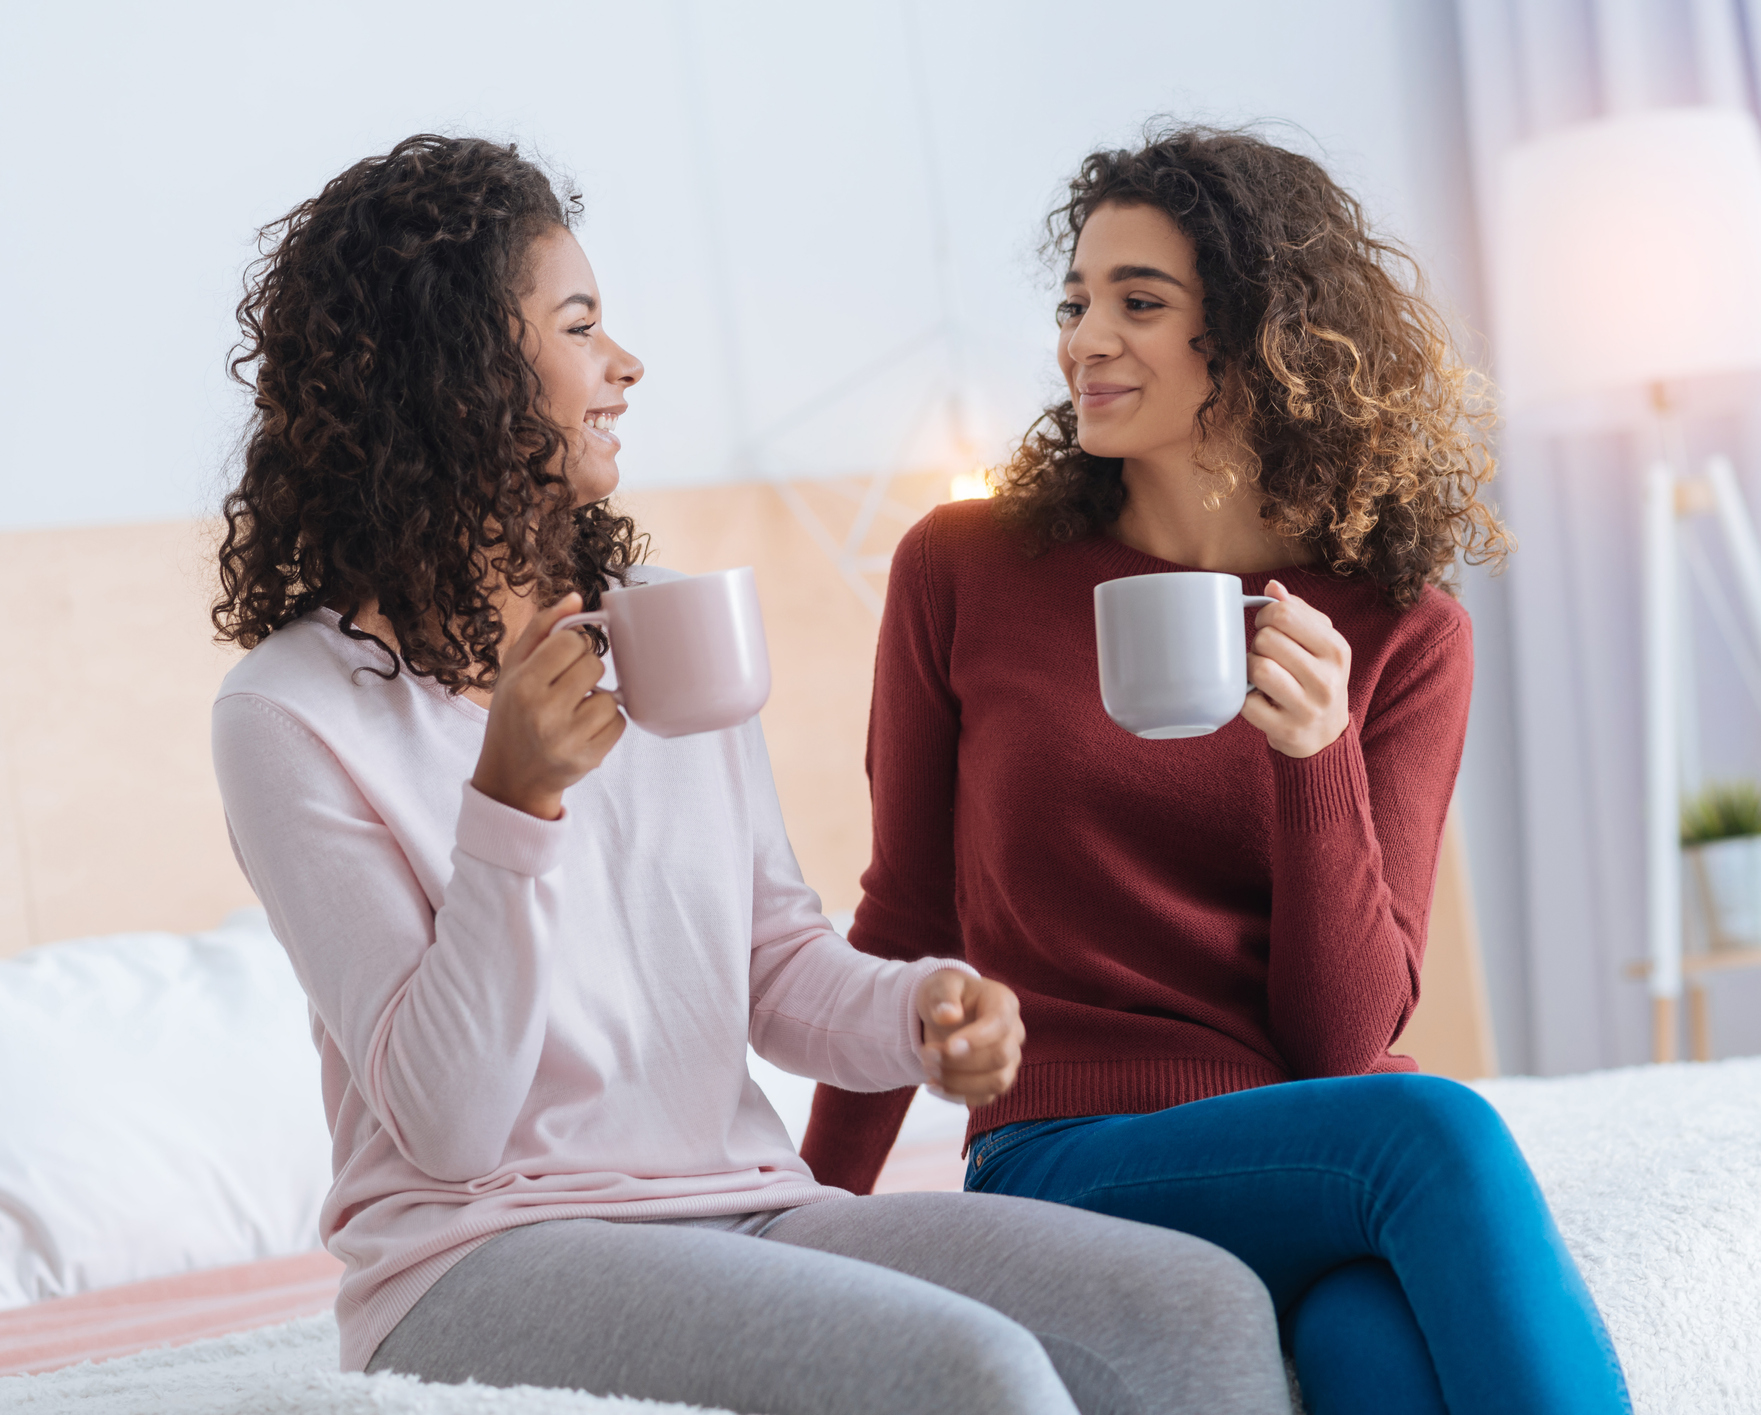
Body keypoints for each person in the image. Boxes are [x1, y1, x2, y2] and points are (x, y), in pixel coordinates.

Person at [209, 133, 1295, 1415]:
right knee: (975, 1372)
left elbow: (773, 963)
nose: (626, 363)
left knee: (1201, 1304)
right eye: (579, 325)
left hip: (746, 1201)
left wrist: (921, 1009)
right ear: (454, 375)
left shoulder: (669, 630)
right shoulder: (291, 710)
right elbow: (445, 1126)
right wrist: (511, 805)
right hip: (477, 1255)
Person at [801, 128, 1633, 1415]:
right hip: (1064, 1148)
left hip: (1312, 1139)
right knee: (1441, 1131)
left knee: (1372, 1347)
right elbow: (906, 917)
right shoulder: (961, 568)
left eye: (1140, 302)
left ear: (1257, 338)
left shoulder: (1405, 632)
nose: (1086, 337)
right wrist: (810, 1221)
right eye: (1076, 301)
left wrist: (1315, 756)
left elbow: (1344, 1036)